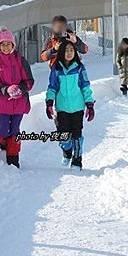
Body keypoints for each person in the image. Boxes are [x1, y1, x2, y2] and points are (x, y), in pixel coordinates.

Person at [45, 40, 95, 169]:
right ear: (61, 52)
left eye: (71, 50)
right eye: (66, 50)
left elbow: (85, 86)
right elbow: (52, 87)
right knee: (63, 136)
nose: (69, 53)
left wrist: (89, 104)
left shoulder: (79, 68)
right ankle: (67, 152)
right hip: (62, 108)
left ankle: (77, 160)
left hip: (78, 107)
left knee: (77, 135)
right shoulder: (56, 69)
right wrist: (49, 102)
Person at [0, 27, 34, 168]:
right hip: (3, 104)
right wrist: (6, 89)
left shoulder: (21, 60)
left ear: (13, 45)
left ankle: (13, 159)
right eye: (2, 44)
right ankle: (4, 144)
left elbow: (29, 81)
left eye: (8, 44)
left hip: (19, 103)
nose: (6, 47)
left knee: (15, 130)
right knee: (3, 130)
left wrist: (20, 89)